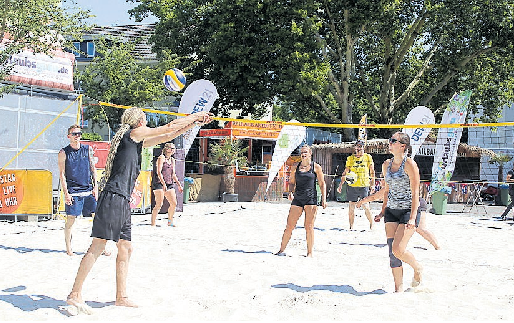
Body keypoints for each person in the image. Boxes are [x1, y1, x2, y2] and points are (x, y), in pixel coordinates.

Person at [66, 107, 212, 313]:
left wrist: (195, 124)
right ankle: (75, 293)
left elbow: (170, 134)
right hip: (114, 197)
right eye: (145, 118)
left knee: (126, 247)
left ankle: (121, 296)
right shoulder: (133, 134)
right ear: (139, 121)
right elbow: (169, 126)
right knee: (98, 246)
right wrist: (196, 115)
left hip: (121, 200)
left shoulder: (136, 140)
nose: (147, 121)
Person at [379, 131, 423, 292]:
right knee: (392, 252)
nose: (389, 143)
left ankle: (417, 268)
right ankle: (399, 289)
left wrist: (412, 218)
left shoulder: (409, 164)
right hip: (391, 210)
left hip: (407, 210)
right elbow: (386, 190)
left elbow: (415, 193)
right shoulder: (386, 165)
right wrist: (383, 210)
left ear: (402, 146)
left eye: (393, 141)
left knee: (398, 249)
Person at [58, 125, 110, 257]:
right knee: (70, 220)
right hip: (74, 191)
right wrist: (66, 193)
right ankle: (69, 249)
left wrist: (95, 187)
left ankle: (101, 247)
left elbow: (93, 168)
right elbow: (62, 174)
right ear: (68, 136)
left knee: (98, 218)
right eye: (74, 134)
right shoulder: (63, 152)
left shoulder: (87, 149)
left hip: (88, 190)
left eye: (79, 134)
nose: (77, 136)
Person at [275, 145, 326, 257]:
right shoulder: (295, 167)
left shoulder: (316, 167)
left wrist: (324, 199)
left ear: (310, 153)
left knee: (308, 226)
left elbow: (322, 184)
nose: (303, 154)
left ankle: (309, 253)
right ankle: (281, 250)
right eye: (302, 152)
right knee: (289, 225)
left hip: (311, 199)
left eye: (306, 152)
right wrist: (290, 192)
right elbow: (292, 182)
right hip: (298, 198)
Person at [357, 191, 440, 250]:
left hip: (416, 203)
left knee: (420, 228)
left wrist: (361, 202)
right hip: (403, 207)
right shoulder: (389, 186)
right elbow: (385, 204)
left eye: (383, 178)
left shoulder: (392, 184)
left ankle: (437, 246)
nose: (382, 180)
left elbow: (375, 197)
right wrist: (381, 215)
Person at [337, 140, 375, 229]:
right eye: (357, 146)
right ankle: (351, 226)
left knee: (366, 206)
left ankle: (371, 224)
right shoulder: (350, 158)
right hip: (352, 185)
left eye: (360, 146)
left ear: (363, 147)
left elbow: (372, 172)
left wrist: (372, 185)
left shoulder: (368, 157)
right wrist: (340, 185)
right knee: (351, 207)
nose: (359, 148)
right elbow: (345, 172)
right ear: (355, 148)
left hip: (364, 185)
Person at [151, 142, 183, 227]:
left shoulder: (172, 160)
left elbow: (173, 174)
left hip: (169, 182)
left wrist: (179, 184)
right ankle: (153, 223)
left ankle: (170, 221)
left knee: (174, 203)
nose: (173, 150)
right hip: (159, 182)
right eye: (171, 148)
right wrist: (163, 183)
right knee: (159, 204)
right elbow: (158, 172)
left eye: (174, 149)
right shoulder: (161, 158)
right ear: (167, 149)